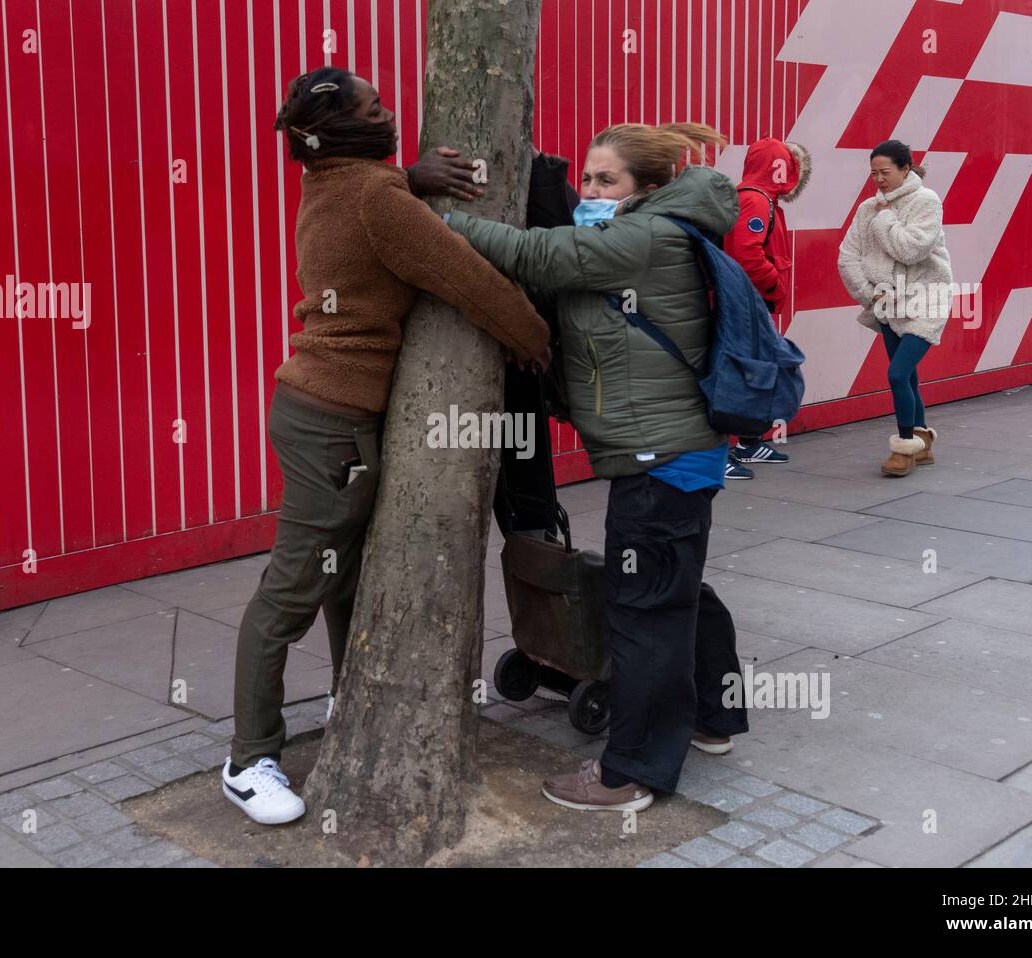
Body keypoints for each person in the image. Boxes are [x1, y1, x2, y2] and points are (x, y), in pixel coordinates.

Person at [224, 66, 551, 826]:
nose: (391, 112)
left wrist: (406, 176)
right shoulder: (374, 196)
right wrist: (533, 338)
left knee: (345, 574)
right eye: (375, 109)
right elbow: (462, 275)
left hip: (321, 409)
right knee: (295, 587)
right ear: (341, 134)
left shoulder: (334, 182)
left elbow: (366, 211)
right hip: (332, 419)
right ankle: (248, 758)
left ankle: (350, 702)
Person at [445, 122, 750, 813]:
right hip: (673, 453)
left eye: (605, 180)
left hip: (660, 459)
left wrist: (437, 216)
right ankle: (714, 715)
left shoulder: (645, 238)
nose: (589, 190)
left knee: (643, 611)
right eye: (585, 178)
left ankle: (629, 775)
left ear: (646, 188)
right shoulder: (653, 230)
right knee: (675, 589)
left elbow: (534, 254)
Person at [837, 139, 952, 476]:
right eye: (874, 174)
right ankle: (923, 444)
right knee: (910, 378)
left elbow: (911, 250)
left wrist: (885, 220)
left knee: (897, 373)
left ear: (905, 169)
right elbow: (848, 256)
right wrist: (869, 295)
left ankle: (903, 449)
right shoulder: (867, 209)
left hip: (926, 300)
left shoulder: (926, 201)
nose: (879, 180)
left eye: (885, 172)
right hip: (887, 303)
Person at [722, 137, 812, 478]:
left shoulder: (754, 198)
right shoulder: (756, 201)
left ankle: (746, 442)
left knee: (751, 373)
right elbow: (748, 254)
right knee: (735, 374)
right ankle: (720, 452)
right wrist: (775, 283)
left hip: (746, 300)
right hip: (747, 301)